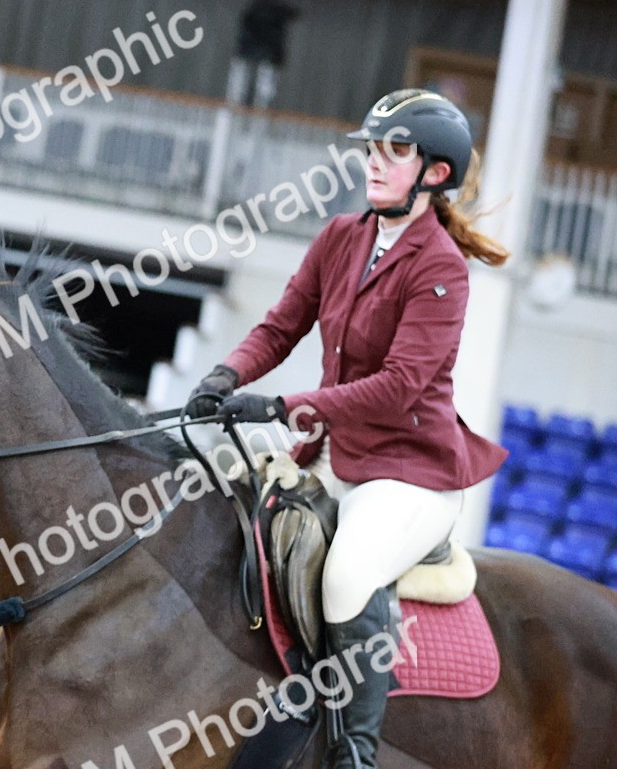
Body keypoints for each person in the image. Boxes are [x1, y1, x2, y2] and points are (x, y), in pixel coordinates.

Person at [184, 88, 510, 768]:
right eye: (372, 149)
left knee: (347, 574)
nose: (375, 162)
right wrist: (226, 376)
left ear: (434, 172)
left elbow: (399, 387)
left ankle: (353, 753)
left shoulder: (441, 266)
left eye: (394, 151)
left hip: (408, 475)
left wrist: (281, 407)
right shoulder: (341, 236)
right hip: (331, 454)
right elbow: (281, 325)